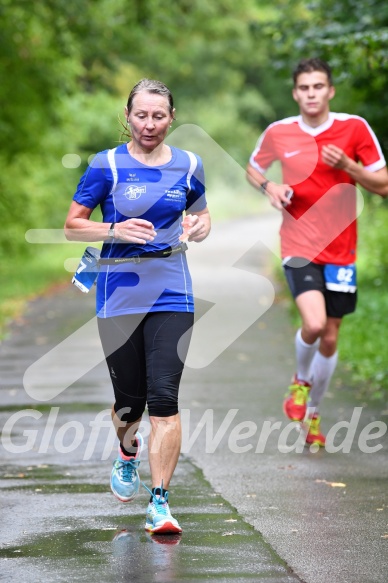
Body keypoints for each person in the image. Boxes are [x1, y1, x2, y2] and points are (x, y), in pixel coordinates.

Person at [64, 79, 211, 533]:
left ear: (172, 117)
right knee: (130, 401)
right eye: (142, 115)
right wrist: (115, 231)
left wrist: (201, 226)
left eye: (159, 116)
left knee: (165, 400)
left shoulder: (189, 164)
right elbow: (73, 226)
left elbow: (202, 214)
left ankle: (160, 502)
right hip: (120, 289)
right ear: (127, 116)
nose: (150, 125)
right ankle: (127, 452)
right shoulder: (105, 164)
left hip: (172, 288)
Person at [246, 58, 388, 447]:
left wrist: (349, 167)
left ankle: (314, 415)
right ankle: (300, 381)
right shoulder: (280, 132)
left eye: (318, 86)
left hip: (341, 250)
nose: (311, 94)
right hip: (298, 245)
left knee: (329, 337)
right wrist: (270, 188)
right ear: (295, 93)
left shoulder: (354, 128)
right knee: (313, 324)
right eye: (304, 88)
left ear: (330, 91)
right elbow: (254, 168)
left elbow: (383, 185)